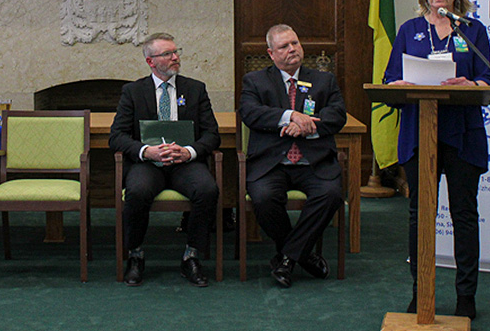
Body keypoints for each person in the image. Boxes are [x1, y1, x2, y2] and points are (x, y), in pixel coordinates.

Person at [383, 0, 490, 320]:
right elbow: (389, 82)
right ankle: (422, 290)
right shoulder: (409, 30)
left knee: (463, 214)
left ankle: (466, 296)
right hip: (420, 133)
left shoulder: (472, 31)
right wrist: (398, 86)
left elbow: (487, 82)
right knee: (420, 215)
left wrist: (470, 83)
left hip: (462, 134)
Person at [239, 25, 346, 288]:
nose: (292, 50)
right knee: (263, 198)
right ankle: (304, 255)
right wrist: (289, 116)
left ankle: (287, 258)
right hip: (272, 163)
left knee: (331, 195)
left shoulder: (324, 80)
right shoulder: (255, 80)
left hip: (313, 161)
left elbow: (337, 115)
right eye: (284, 46)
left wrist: (308, 125)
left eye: (295, 44)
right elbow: (250, 113)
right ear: (271, 53)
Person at [110, 33, 220, 287]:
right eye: (168, 54)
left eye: (176, 52)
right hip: (148, 164)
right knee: (136, 192)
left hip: (186, 163)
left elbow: (212, 134)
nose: (175, 58)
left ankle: (191, 255)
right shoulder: (133, 92)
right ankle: (135, 255)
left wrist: (189, 151)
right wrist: (145, 151)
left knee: (207, 189)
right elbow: (117, 137)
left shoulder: (195, 89)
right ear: (150, 61)